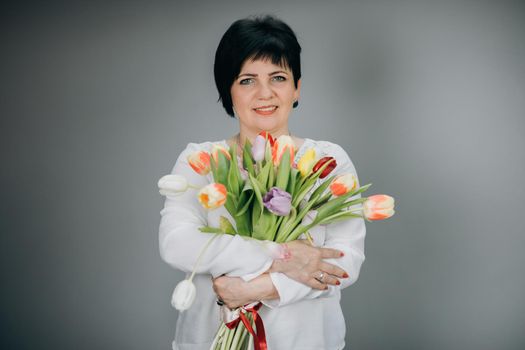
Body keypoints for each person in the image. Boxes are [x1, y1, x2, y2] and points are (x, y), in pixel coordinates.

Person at [159, 15, 366, 350]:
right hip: (210, 337)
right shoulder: (203, 161)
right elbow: (178, 243)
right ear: (227, 89)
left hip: (306, 340)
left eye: (279, 77)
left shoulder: (327, 162)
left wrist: (255, 289)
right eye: (247, 80)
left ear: (297, 86)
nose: (265, 93)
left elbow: (344, 262)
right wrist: (279, 256)